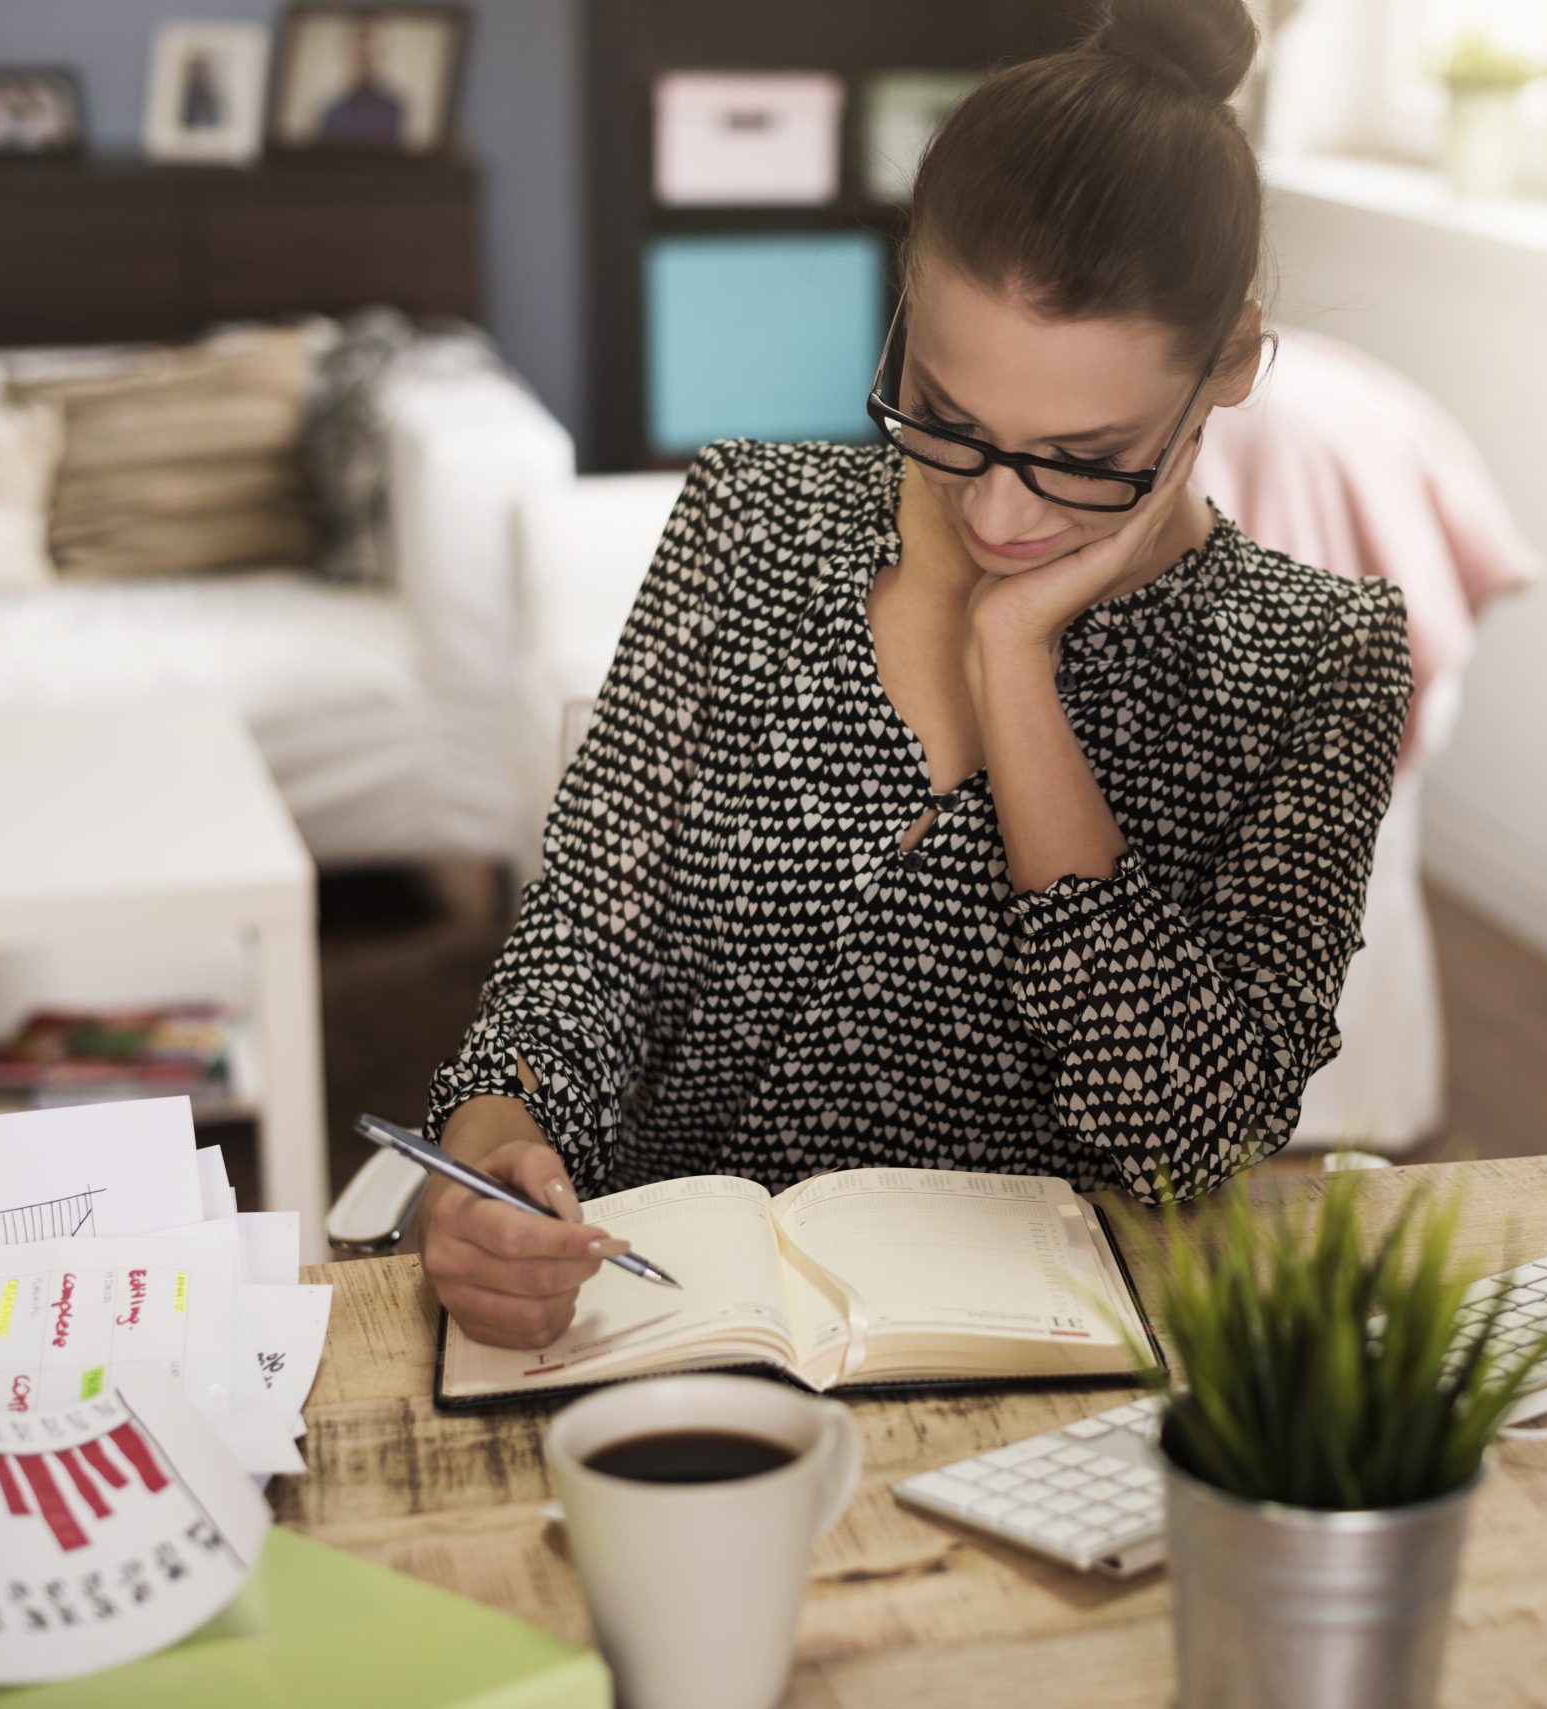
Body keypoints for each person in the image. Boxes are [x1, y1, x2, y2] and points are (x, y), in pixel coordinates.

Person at [418, 0, 1414, 1350]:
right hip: (672, 1337)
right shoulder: (747, 521)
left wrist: (1016, 665)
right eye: (945, 417)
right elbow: (584, 950)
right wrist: (492, 1147)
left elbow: (1187, 1136)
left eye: (1083, 457)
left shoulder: (1317, 659)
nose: (998, 512)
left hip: (1040, 1384)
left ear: (1229, 365)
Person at [316, 21, 406, 149]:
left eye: (368, 56)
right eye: (359, 56)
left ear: (378, 57)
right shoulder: (332, 112)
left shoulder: (393, 108)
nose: (364, 63)